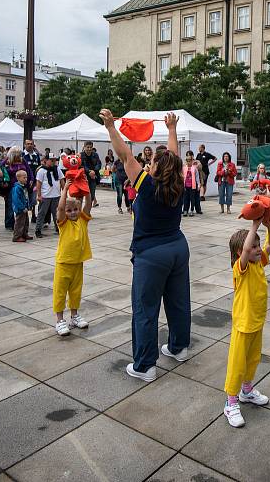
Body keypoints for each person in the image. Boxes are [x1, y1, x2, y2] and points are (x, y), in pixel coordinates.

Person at [100, 108, 190, 382]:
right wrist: (172, 129)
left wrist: (110, 127)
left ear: (154, 168)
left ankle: (145, 365)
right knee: (178, 302)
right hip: (177, 248)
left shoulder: (147, 185)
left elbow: (125, 155)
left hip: (151, 254)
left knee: (145, 309)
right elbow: (173, 158)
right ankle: (178, 347)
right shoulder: (179, 183)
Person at [223, 218, 270, 428]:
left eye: (257, 245)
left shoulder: (259, 261)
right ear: (240, 252)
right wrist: (254, 225)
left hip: (257, 321)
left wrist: (267, 224)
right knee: (237, 363)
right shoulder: (241, 267)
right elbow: (246, 251)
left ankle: (246, 391)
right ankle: (231, 402)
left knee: (252, 359)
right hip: (243, 324)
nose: (257, 249)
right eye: (253, 246)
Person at [52, 178, 93, 335]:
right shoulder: (63, 222)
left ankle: (74, 315)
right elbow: (61, 208)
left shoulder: (83, 220)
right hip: (64, 263)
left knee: (76, 290)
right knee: (60, 291)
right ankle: (60, 320)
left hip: (78, 263)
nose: (72, 213)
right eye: (69, 211)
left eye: (75, 209)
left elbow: (88, 204)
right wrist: (64, 191)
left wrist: (86, 188)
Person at [2, 147, 34, 230]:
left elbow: (29, 170)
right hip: (11, 186)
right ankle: (9, 223)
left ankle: (20, 222)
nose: (20, 155)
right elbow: (0, 167)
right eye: (18, 154)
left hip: (23, 186)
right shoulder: (7, 161)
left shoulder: (22, 160)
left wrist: (31, 179)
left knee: (22, 203)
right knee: (10, 204)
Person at [35, 156, 61, 237]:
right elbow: (38, 183)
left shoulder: (57, 169)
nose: (53, 162)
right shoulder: (41, 171)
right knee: (42, 213)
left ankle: (58, 228)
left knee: (56, 213)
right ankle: (38, 229)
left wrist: (64, 193)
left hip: (56, 195)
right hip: (45, 195)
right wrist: (39, 195)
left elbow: (62, 180)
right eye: (51, 160)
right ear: (46, 161)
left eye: (54, 160)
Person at [23, 140, 41, 222]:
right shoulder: (22, 155)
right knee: (25, 199)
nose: (30, 145)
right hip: (24, 181)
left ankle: (33, 215)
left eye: (31, 144)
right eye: (28, 144)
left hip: (34, 181)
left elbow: (39, 167)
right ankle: (24, 216)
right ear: (25, 145)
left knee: (33, 199)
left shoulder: (36, 155)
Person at [12, 170, 32, 242]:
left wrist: (27, 206)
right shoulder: (17, 188)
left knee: (25, 221)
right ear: (18, 178)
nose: (26, 179)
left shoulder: (23, 187)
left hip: (24, 208)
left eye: (26, 177)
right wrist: (22, 207)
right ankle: (17, 236)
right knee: (20, 222)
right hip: (20, 209)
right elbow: (16, 199)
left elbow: (25, 197)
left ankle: (24, 234)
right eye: (24, 178)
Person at [80, 141, 102, 207]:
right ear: (84, 147)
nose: (89, 149)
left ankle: (87, 211)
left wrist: (94, 171)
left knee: (92, 195)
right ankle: (79, 211)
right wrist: (89, 171)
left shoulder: (95, 155)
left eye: (91, 147)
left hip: (93, 177)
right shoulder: (81, 155)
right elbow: (81, 165)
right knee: (81, 196)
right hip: (84, 177)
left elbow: (99, 164)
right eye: (88, 147)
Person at [182, 151, 201, 217]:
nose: (188, 162)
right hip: (185, 186)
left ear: (192, 161)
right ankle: (185, 210)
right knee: (185, 199)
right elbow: (182, 177)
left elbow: (197, 177)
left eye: (190, 160)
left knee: (192, 199)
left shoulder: (194, 168)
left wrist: (198, 185)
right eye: (187, 160)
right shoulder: (184, 168)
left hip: (192, 186)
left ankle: (191, 210)